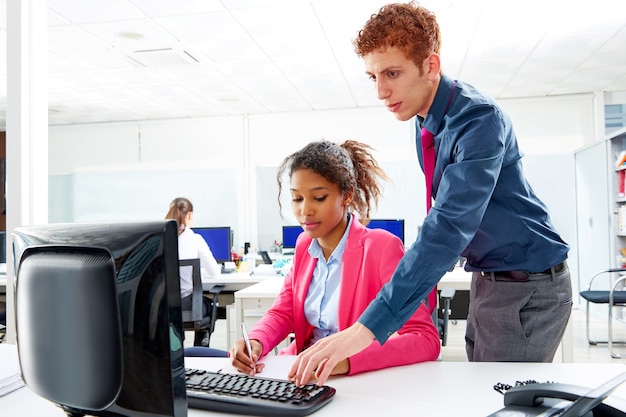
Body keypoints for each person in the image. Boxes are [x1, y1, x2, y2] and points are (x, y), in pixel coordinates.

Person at [289, 2, 572, 386]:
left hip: (528, 283)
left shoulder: (478, 120)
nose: (380, 91)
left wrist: (364, 330)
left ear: (431, 66)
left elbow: (449, 226)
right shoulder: (422, 118)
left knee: (500, 400)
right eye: (372, 76)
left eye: (392, 73)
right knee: (480, 390)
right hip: (490, 279)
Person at [229, 139, 440, 377]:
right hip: (302, 372)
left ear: (347, 196)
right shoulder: (304, 246)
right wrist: (256, 341)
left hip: (350, 379)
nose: (305, 211)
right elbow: (284, 312)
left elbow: (425, 338)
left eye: (319, 198)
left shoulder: (381, 247)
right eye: (297, 198)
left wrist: (347, 360)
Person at [166, 197, 222, 345]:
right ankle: (200, 349)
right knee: (210, 306)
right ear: (189, 215)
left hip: (165, 307)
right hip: (188, 305)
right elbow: (215, 273)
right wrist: (198, 273)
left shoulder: (161, 240)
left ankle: (178, 347)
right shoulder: (195, 239)